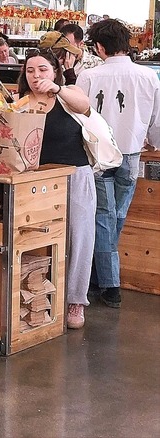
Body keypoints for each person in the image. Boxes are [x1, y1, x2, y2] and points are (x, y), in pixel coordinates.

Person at [76, 19, 160, 309]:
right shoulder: (149, 77)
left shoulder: (89, 76)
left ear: (99, 46)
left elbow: (79, 116)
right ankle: (106, 283)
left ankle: (105, 283)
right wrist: (152, 140)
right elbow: (156, 120)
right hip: (132, 152)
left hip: (98, 153)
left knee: (105, 217)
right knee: (114, 216)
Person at [17, 48, 95, 328]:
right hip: (37, 180)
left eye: (42, 69)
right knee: (37, 237)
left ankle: (76, 300)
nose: (36, 75)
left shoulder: (68, 94)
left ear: (54, 71)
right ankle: (37, 296)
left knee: (80, 237)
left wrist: (58, 89)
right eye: (30, 70)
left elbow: (85, 105)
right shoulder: (19, 102)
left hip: (76, 175)